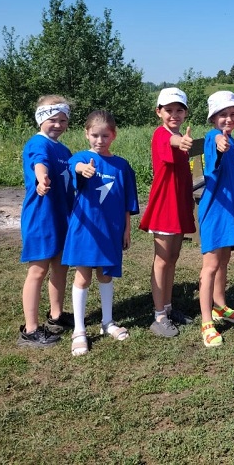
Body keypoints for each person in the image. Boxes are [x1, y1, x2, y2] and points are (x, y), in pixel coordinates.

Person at [62, 111, 139, 356]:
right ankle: (79, 330)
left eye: (105, 135)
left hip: (111, 231)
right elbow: (73, 167)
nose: (100, 140)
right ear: (86, 134)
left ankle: (108, 323)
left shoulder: (122, 165)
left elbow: (128, 201)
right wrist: (82, 169)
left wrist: (126, 229)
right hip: (86, 230)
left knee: (106, 276)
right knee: (83, 278)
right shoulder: (82, 158)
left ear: (113, 135)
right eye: (95, 135)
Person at [18, 96, 75, 347]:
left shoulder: (64, 150)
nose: (58, 124)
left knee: (61, 267)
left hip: (62, 217)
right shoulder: (37, 143)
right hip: (41, 217)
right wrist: (42, 179)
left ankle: (56, 315)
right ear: (42, 119)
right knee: (38, 271)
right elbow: (39, 163)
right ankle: (30, 329)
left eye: (63, 120)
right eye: (53, 119)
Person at [139, 87, 196, 337]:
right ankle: (158, 315)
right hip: (164, 206)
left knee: (172, 259)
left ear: (185, 113)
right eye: (169, 110)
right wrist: (180, 141)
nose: (174, 114)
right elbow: (170, 142)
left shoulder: (179, 135)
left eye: (179, 110)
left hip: (178, 205)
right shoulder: (162, 135)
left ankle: (169, 307)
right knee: (161, 260)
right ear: (159, 112)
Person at [197, 91, 234, 347]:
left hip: (231, 212)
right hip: (216, 212)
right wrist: (219, 142)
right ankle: (206, 322)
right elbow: (216, 145)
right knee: (210, 266)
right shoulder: (214, 137)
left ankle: (220, 305)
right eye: (222, 115)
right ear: (213, 118)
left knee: (224, 259)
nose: (228, 119)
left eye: (232, 114)